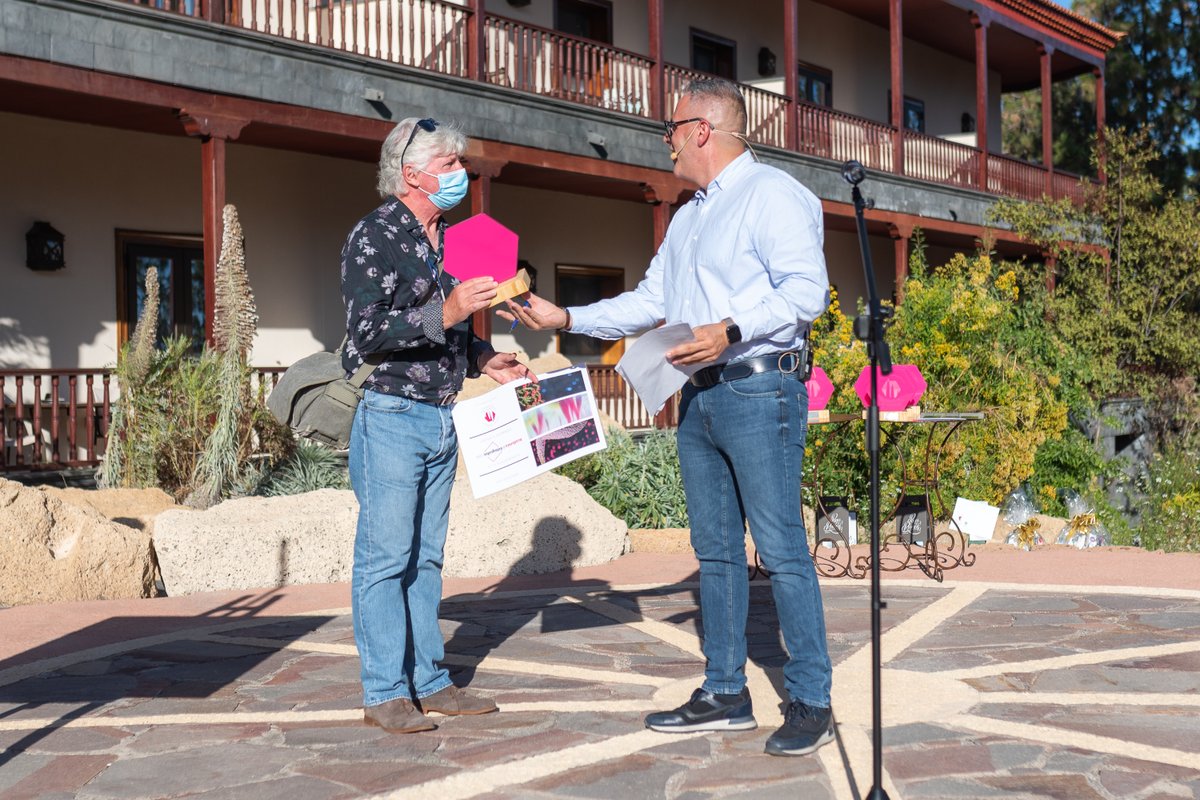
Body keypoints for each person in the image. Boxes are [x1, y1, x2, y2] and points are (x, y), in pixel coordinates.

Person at [499, 78, 834, 757]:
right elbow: (651, 300)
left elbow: (809, 291)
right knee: (713, 552)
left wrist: (731, 328)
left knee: (780, 550)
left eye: (672, 127)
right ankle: (725, 692)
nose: (667, 140)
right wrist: (567, 317)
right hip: (699, 393)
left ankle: (811, 699)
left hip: (760, 388)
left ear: (703, 130)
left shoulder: (773, 195)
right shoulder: (688, 216)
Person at [342, 116, 534, 734]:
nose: (461, 175)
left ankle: (430, 681)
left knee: (426, 560)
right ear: (411, 173)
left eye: (460, 163)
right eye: (449, 165)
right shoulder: (374, 235)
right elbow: (366, 333)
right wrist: (448, 307)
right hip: (391, 415)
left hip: (441, 415)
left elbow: (454, 328)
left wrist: (486, 359)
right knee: (385, 559)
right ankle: (384, 692)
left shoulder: (449, 237)